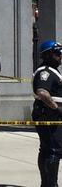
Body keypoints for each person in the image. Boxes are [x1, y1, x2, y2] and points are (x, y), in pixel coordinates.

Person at [33, 40, 62, 187]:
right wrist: (56, 108)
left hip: (51, 115)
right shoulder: (45, 72)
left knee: (48, 149)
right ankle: (50, 185)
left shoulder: (53, 71)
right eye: (57, 53)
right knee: (53, 150)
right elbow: (42, 92)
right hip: (49, 115)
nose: (60, 56)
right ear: (48, 55)